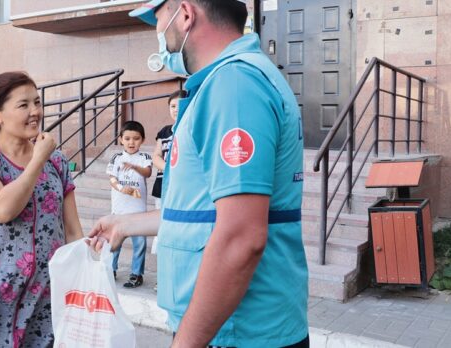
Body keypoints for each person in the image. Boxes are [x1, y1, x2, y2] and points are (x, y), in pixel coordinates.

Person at [89, 0, 308, 347]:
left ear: (186, 15)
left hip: (236, 332)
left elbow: (241, 236)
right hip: (231, 328)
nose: (159, 34)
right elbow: (203, 213)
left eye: (158, 21)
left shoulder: (233, 86)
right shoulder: (228, 82)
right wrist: (125, 224)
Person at [0, 71, 83, 347]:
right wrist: (37, 160)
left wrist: (86, 269)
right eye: (24, 105)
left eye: (37, 102)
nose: (35, 111)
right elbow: (2, 209)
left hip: (50, 293)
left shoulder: (57, 162)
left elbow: (73, 231)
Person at [107, 121, 152, 289]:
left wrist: (134, 166)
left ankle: (136, 274)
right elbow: (112, 178)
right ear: (121, 140)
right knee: (114, 242)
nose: (131, 142)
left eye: (136, 138)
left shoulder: (144, 158)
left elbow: (147, 172)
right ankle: (111, 269)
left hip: (138, 211)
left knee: (139, 244)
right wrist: (120, 188)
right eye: (127, 138)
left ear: (142, 140)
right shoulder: (116, 158)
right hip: (119, 210)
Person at [150, 89, 185, 292]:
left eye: (180, 106)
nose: (176, 110)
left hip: (183, 189)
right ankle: (162, 278)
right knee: (162, 233)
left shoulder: (192, 129)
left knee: (178, 233)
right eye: (173, 106)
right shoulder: (164, 132)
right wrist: (169, 168)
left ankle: (178, 279)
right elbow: (156, 156)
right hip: (163, 187)